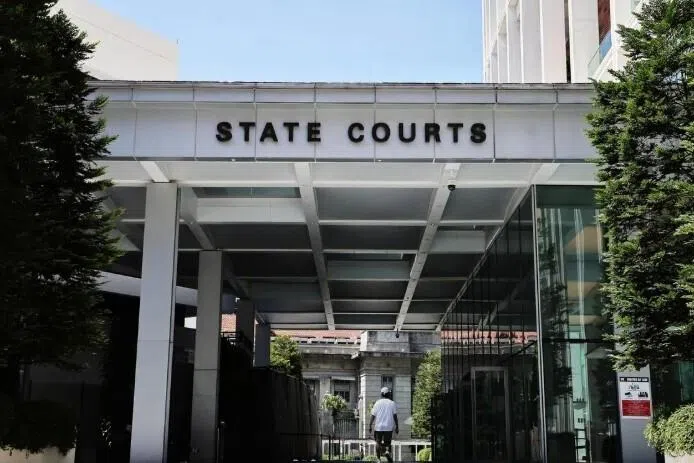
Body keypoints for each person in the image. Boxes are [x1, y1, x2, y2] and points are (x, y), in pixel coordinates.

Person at [369, 387, 398, 462]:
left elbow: (373, 415)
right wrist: (397, 426)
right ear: (388, 394)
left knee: (378, 442)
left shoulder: (377, 403)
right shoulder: (392, 403)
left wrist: (370, 425)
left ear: (381, 394)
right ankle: (387, 451)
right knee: (388, 442)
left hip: (379, 427)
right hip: (388, 426)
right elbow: (395, 416)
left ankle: (378, 459)